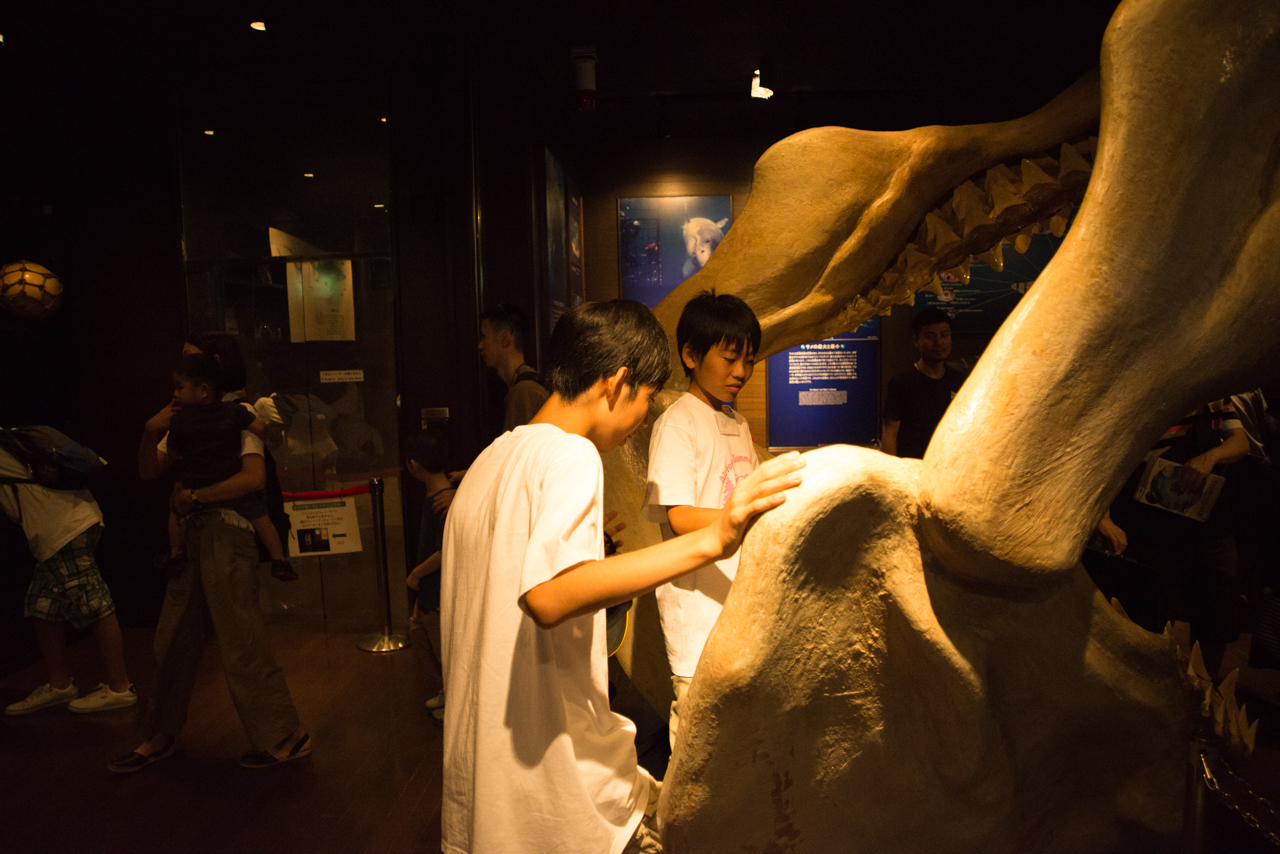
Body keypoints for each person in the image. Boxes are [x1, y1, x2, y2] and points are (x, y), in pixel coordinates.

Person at [440, 300, 805, 854]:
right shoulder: (570, 456)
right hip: (560, 784)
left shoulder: (490, 460)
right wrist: (716, 536)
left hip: (485, 785)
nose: (642, 420)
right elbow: (548, 596)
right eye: (645, 400)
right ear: (616, 382)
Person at [111, 338, 308, 774]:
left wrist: (195, 495)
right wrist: (150, 429)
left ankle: (284, 735)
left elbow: (253, 479)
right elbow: (149, 470)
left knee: (241, 641)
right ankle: (159, 733)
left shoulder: (234, 416)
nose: (182, 366)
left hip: (226, 531)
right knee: (171, 639)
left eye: (191, 358)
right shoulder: (184, 419)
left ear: (210, 373)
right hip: (195, 534)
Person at [643, 290, 761, 747]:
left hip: (736, 599)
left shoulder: (739, 424)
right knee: (696, 730)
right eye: (730, 357)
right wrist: (749, 516)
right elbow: (680, 516)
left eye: (748, 360)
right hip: (697, 605)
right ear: (690, 355)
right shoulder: (679, 422)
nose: (741, 372)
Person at [1, 442, 136, 715]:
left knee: (95, 604)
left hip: (62, 530)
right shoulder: (9, 442)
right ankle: (60, 684)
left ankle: (120, 688)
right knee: (42, 605)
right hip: (68, 522)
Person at [163, 352, 296, 582]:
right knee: (262, 518)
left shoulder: (179, 421)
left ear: (203, 390)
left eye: (179, 387)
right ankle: (280, 561)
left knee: (175, 511)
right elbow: (259, 428)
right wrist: (267, 436)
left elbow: (173, 452)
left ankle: (176, 554)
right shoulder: (234, 411)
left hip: (196, 483)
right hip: (231, 481)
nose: (175, 393)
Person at [433, 303, 551, 516]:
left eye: (484, 337)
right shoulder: (527, 385)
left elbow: (517, 467)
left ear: (505, 339)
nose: (480, 345)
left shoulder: (523, 392)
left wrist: (464, 496)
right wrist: (471, 474)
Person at [404, 427, 451, 723]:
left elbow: (444, 551)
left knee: (444, 650)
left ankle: (454, 700)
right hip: (430, 592)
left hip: (437, 590)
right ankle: (446, 691)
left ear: (415, 466)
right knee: (422, 636)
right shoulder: (442, 493)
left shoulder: (443, 501)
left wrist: (416, 574)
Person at [882, 307, 966, 459]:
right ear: (916, 341)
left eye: (944, 335)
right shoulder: (902, 383)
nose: (939, 342)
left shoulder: (958, 380)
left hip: (948, 465)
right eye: (930, 336)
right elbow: (889, 432)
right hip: (913, 468)